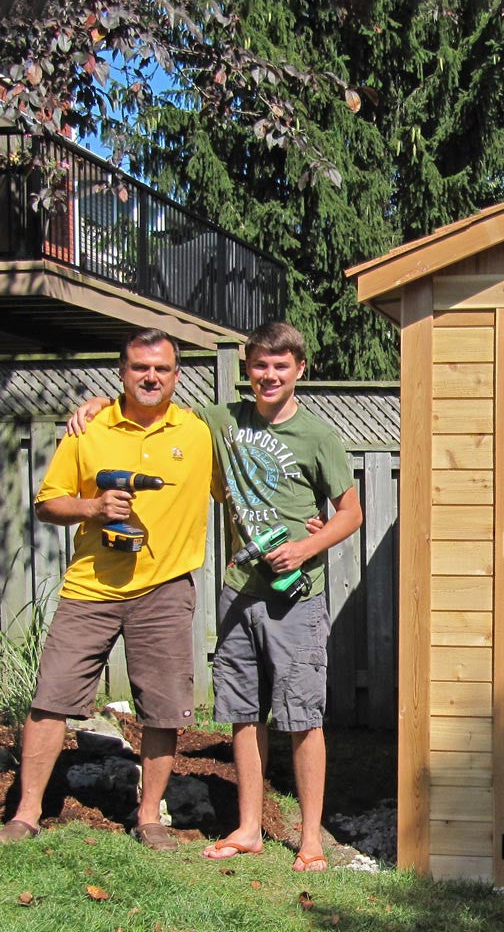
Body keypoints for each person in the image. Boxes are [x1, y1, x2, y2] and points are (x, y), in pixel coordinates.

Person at [0, 329, 213, 850]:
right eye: (140, 367)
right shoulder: (88, 429)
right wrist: (94, 506)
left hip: (164, 589)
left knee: (163, 710)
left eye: (162, 369)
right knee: (51, 700)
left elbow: (242, 487)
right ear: (122, 372)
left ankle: (150, 817)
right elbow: (49, 503)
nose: (151, 377)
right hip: (90, 587)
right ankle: (26, 814)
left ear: (176, 375)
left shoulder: (198, 432)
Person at [199, 322, 362, 871]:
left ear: (299, 369)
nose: (269, 375)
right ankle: (248, 828)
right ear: (248, 369)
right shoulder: (224, 420)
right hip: (237, 593)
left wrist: (307, 545)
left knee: (302, 716)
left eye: (280, 366)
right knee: (244, 713)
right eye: (260, 365)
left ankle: (310, 838)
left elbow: (351, 512)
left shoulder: (319, 436)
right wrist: (103, 401)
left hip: (296, 597)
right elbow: (159, 413)